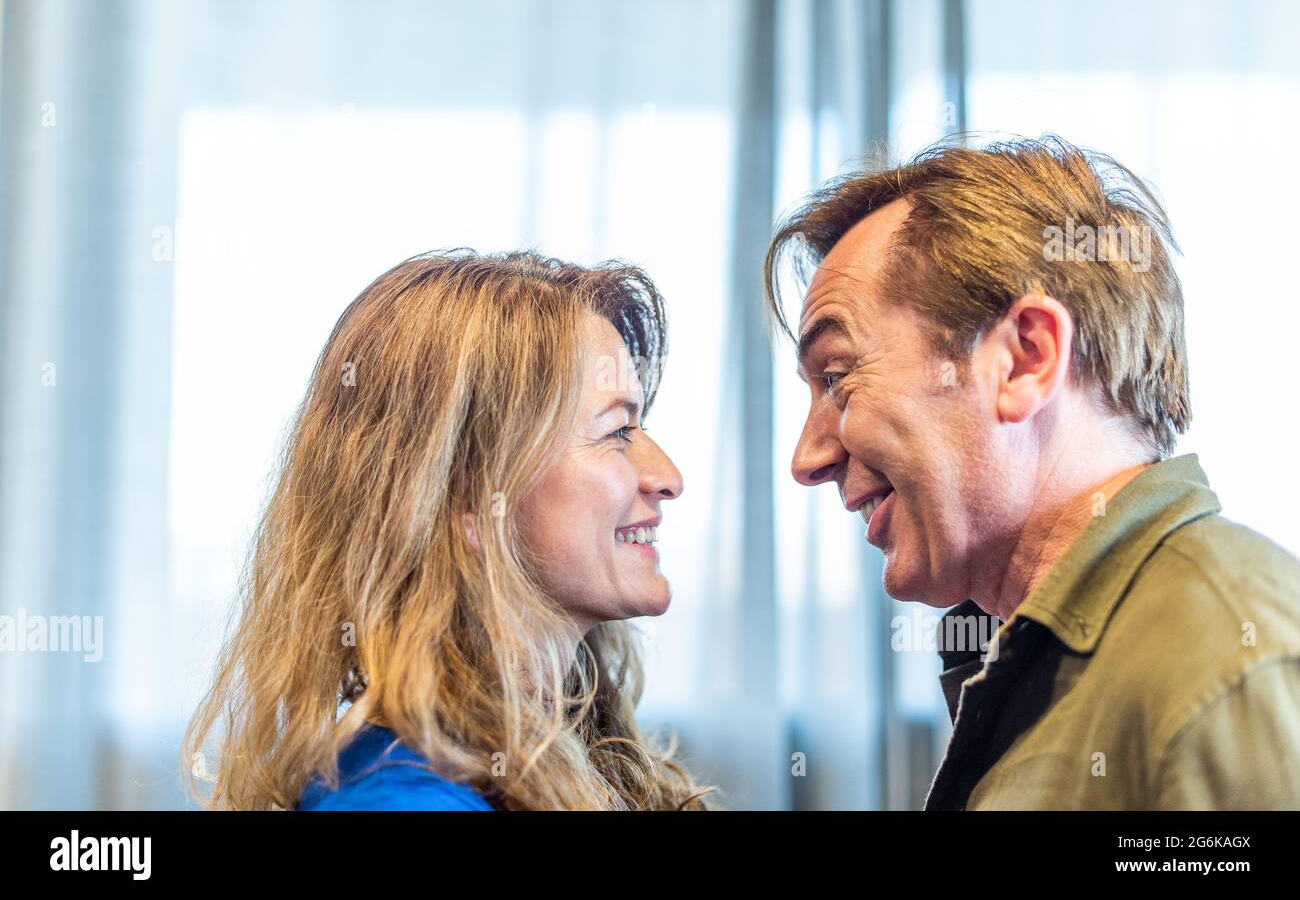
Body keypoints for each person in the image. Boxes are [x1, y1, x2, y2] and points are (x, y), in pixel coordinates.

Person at [765, 135, 1300, 809]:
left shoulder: (1229, 663)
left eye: (838, 377)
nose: (807, 459)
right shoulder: (1046, 661)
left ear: (1025, 359)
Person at [183, 249, 709, 810]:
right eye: (617, 431)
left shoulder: (545, 755)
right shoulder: (398, 802)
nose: (668, 477)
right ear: (467, 497)